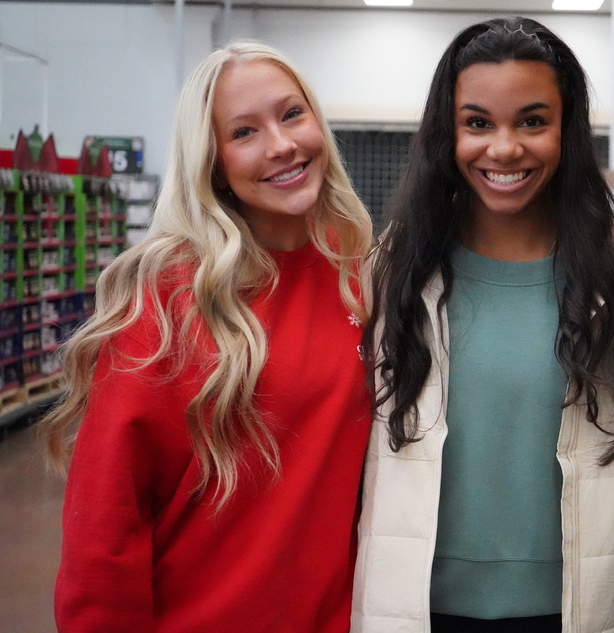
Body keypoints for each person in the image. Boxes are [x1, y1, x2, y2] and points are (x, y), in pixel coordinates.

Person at [42, 41, 374, 631]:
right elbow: (105, 526)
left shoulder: (358, 280)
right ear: (212, 161)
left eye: (292, 114)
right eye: (244, 132)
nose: (281, 145)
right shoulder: (167, 304)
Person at [351, 16, 614, 633]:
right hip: (418, 607)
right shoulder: (393, 274)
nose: (504, 147)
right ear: (449, 132)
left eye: (532, 121)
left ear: (566, 130)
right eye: (478, 123)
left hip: (574, 607)